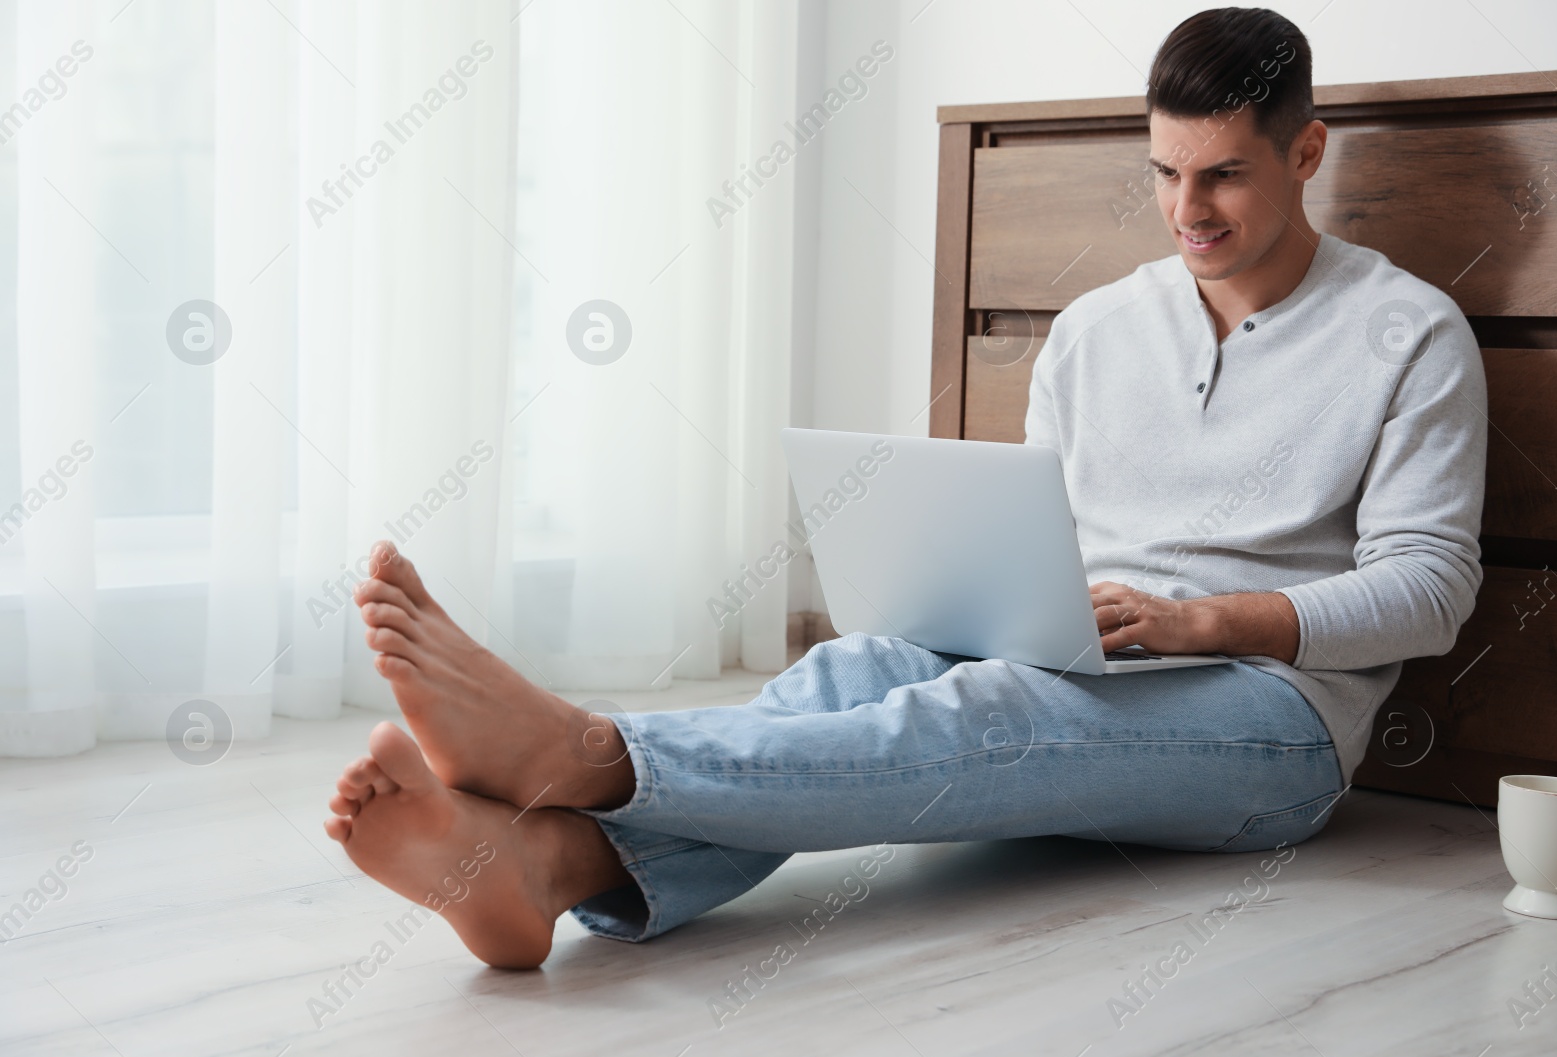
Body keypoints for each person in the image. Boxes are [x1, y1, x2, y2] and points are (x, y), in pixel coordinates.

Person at [322, 7, 1486, 968]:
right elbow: (1041, 533)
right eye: (1166, 173)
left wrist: (1200, 619)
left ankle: (594, 753)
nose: (1188, 210)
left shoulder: (1409, 331)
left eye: (1224, 174)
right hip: (1088, 656)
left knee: (984, 715)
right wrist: (994, 605)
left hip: (1269, 722)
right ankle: (551, 869)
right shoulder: (1094, 331)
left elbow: (1430, 590)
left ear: (1308, 149)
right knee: (856, 669)